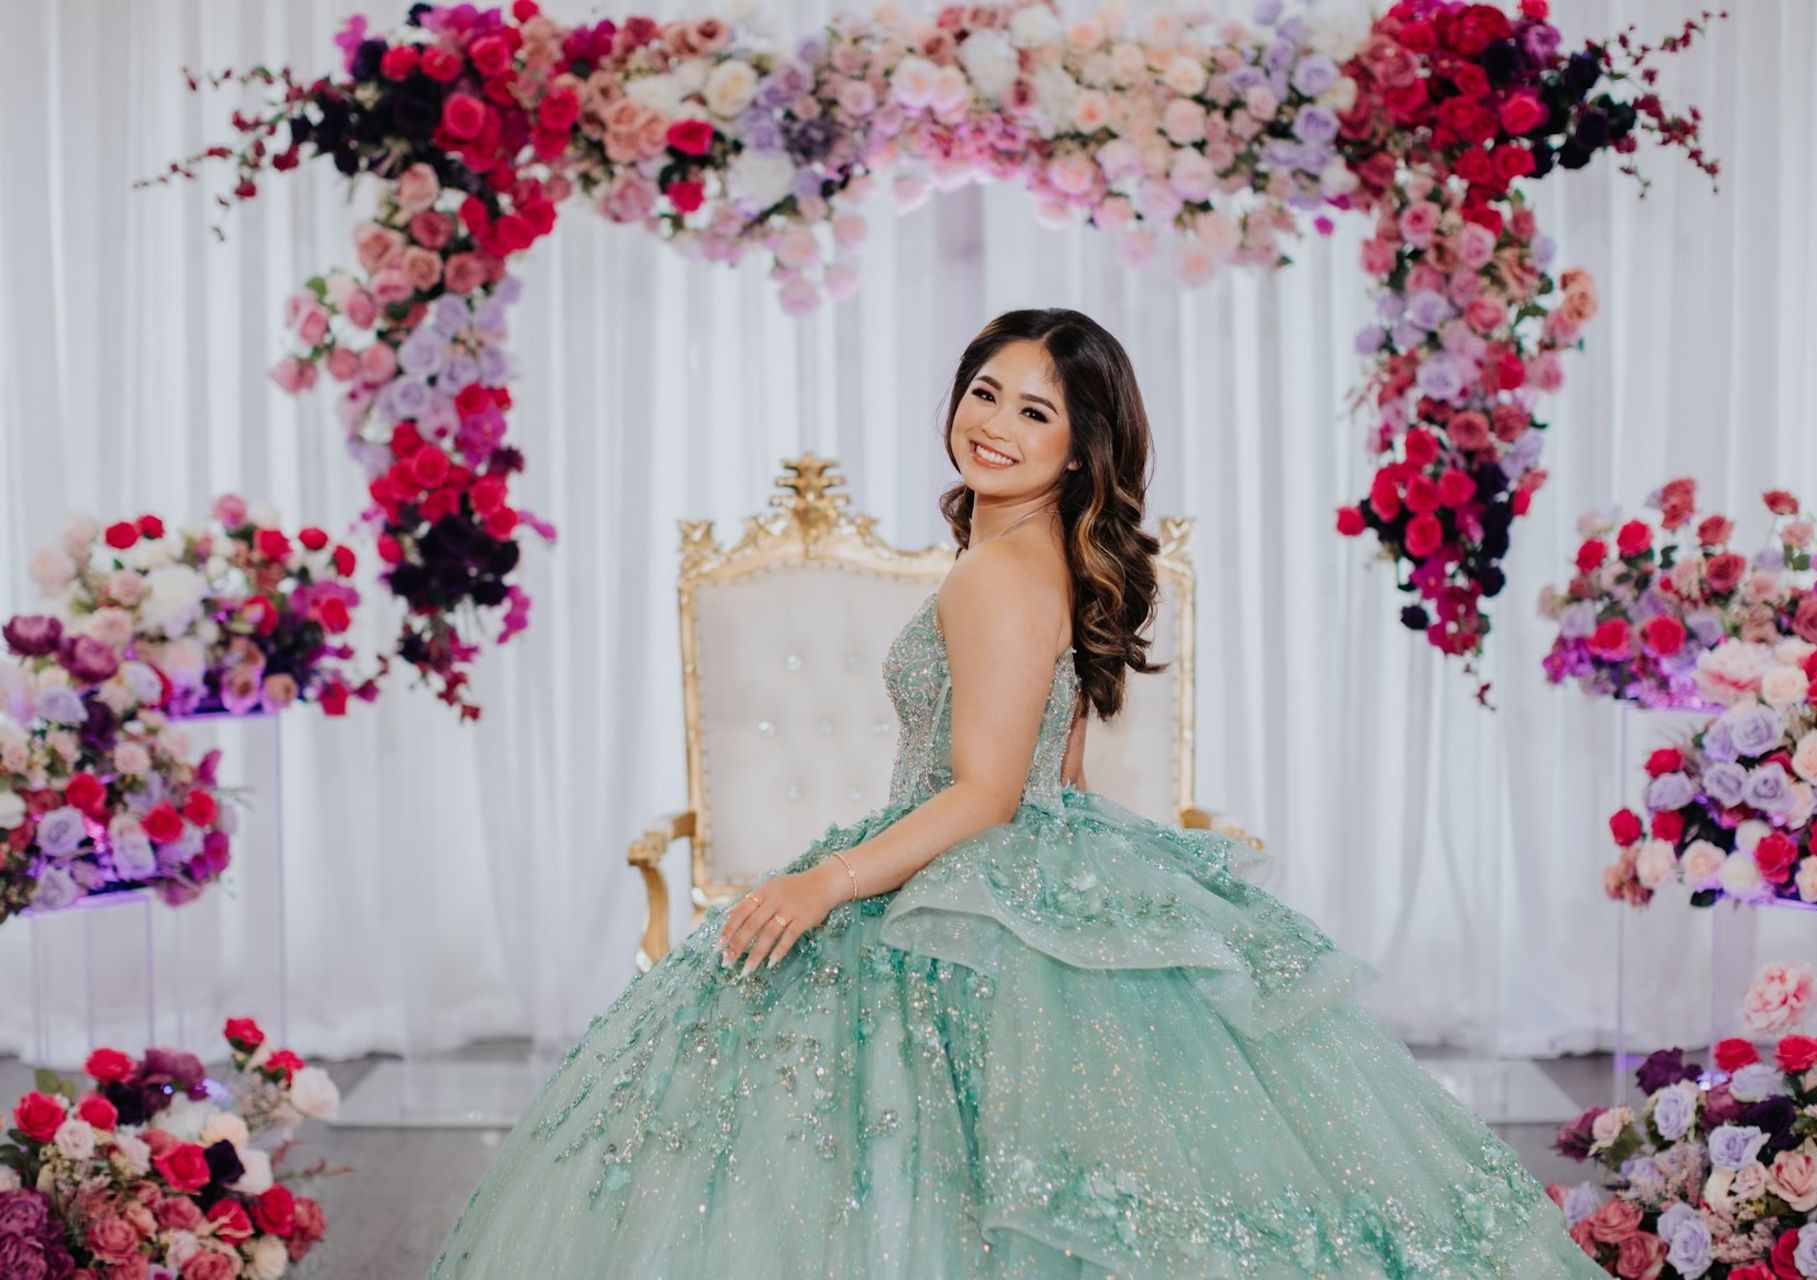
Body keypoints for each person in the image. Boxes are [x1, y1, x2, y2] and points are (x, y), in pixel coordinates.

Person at [430, 309, 1600, 1278]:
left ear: (1083, 447)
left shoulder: (998, 570)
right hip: (1025, 867)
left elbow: (989, 791)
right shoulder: (1048, 557)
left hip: (966, 864)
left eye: (1034, 411)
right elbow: (1061, 772)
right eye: (985, 391)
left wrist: (821, 879)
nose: (993, 424)